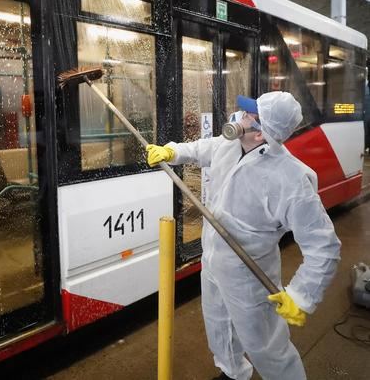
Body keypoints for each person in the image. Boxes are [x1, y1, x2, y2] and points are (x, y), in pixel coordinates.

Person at [146, 92, 341, 380]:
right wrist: (172, 152)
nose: (240, 115)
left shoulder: (291, 180)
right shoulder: (230, 146)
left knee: (266, 346)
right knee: (218, 324)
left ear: (261, 134)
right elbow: (202, 148)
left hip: (250, 275)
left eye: (249, 115)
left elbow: (323, 246)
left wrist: (301, 295)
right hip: (213, 261)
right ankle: (233, 372)